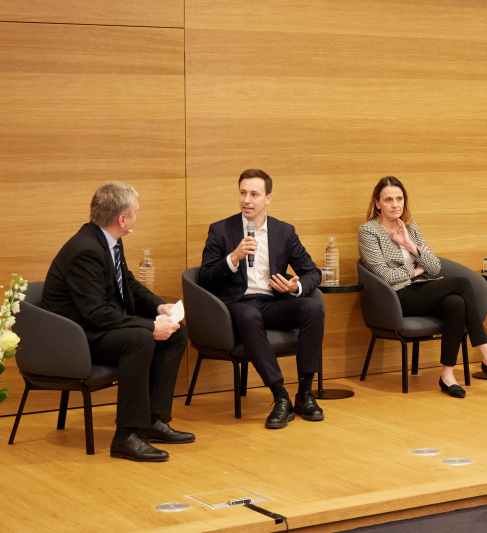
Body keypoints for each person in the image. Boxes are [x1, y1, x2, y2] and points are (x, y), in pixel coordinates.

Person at [42, 182, 193, 462]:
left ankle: (150, 420)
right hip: (75, 338)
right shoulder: (85, 250)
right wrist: (149, 326)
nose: (138, 216)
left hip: (95, 326)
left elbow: (129, 284)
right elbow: (96, 313)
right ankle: (125, 436)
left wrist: (159, 306)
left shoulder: (109, 240)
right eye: (135, 212)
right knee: (141, 339)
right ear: (122, 219)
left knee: (176, 333)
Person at [358, 176, 487, 398]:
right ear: (378, 203)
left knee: (456, 303)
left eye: (399, 198)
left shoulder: (411, 228)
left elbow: (435, 266)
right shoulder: (368, 232)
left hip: (421, 290)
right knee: (463, 283)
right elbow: (385, 276)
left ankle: (447, 376)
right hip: (394, 298)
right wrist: (417, 270)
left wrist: (409, 244)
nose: (395, 204)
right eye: (388, 199)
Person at [199, 169, 325, 428]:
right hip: (238, 305)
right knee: (249, 314)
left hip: (273, 303)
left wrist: (296, 287)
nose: (247, 200)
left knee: (312, 308)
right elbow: (204, 278)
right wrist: (233, 258)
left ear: (268, 198)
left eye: (254, 194)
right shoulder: (221, 230)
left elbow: (313, 272)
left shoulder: (284, 231)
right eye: (243, 193)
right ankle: (280, 396)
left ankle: (305, 393)